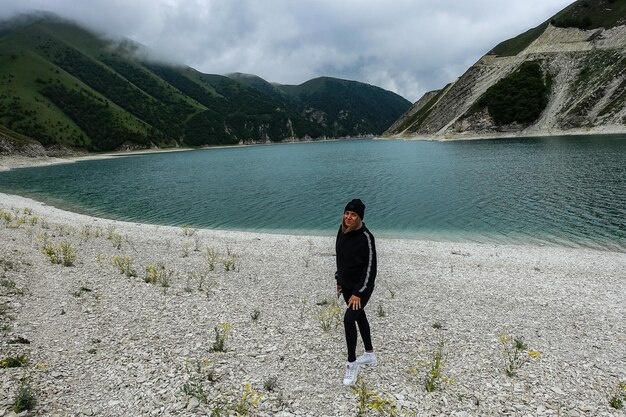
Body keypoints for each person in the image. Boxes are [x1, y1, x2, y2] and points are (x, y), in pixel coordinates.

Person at [335, 198, 377, 386]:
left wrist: (359, 292)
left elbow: (370, 268)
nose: (348, 217)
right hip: (346, 286)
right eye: (347, 213)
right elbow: (341, 258)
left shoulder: (366, 237)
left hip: (361, 288)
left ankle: (351, 363)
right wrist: (338, 279)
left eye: (353, 215)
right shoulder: (342, 230)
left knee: (349, 319)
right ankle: (369, 354)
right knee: (359, 317)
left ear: (360, 217)